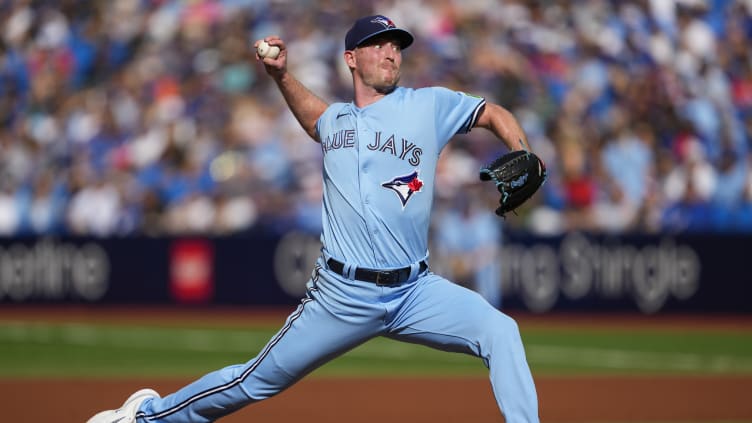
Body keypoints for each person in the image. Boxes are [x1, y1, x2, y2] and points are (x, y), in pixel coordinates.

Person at [87, 14, 540, 423]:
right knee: (253, 381)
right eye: (379, 44)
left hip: (415, 290)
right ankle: (146, 416)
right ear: (351, 58)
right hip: (343, 295)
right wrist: (281, 75)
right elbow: (313, 119)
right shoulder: (335, 121)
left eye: (396, 45)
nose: (391, 52)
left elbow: (492, 112)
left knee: (500, 330)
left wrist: (521, 150)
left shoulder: (429, 105)